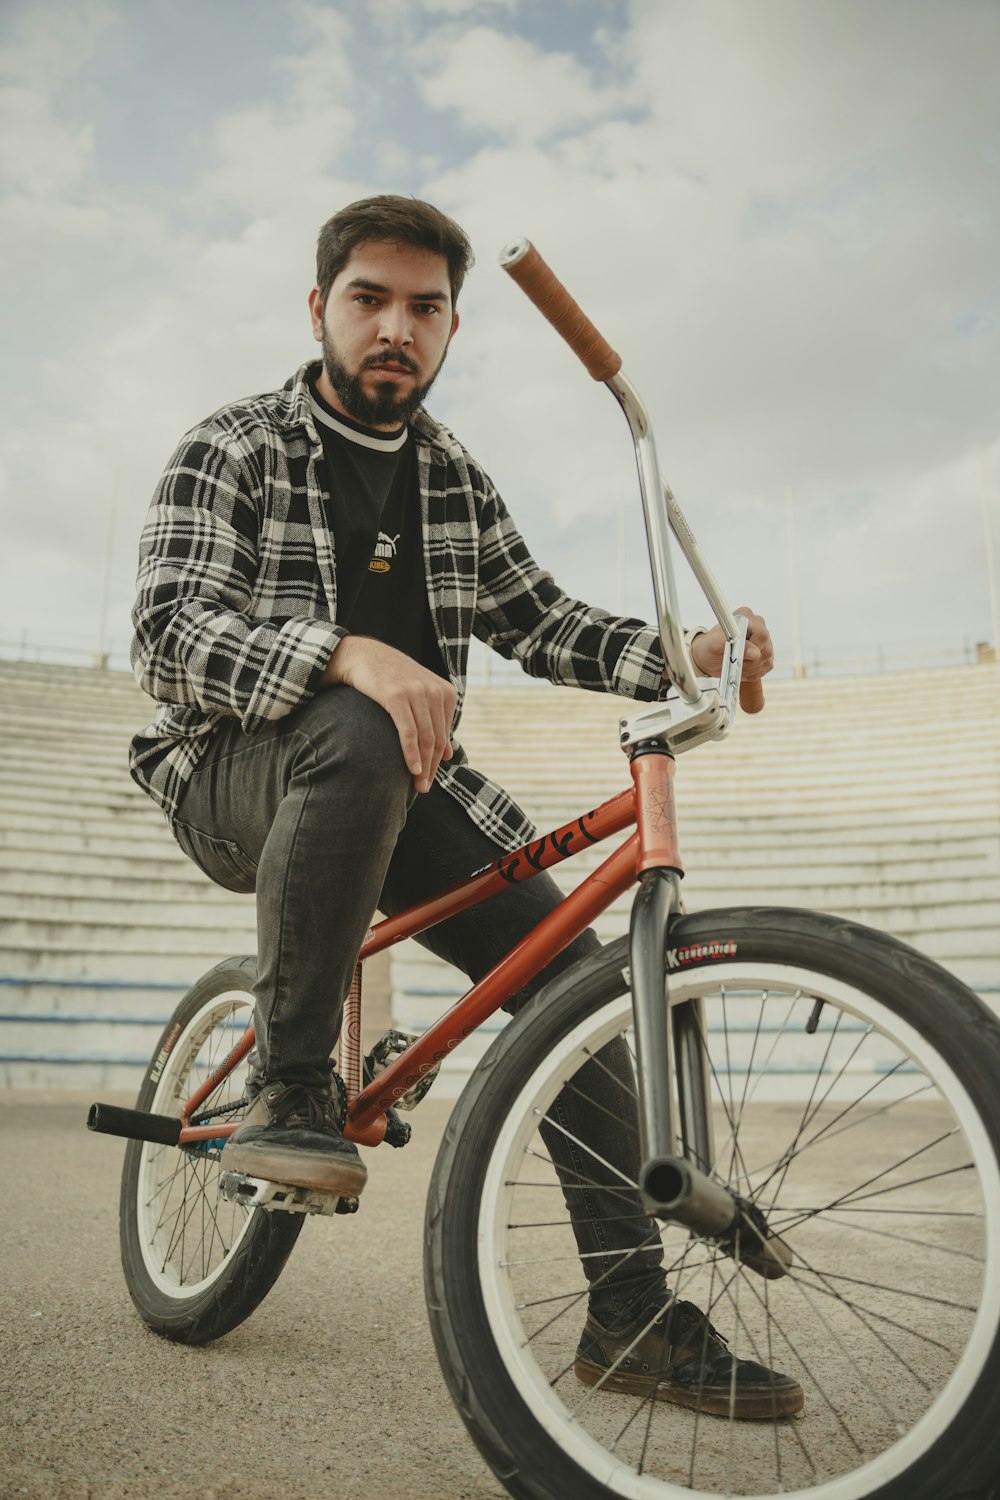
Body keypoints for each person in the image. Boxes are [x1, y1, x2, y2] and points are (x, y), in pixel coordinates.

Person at [130, 195, 798, 1419]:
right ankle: (289, 1084)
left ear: (450, 328)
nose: (397, 327)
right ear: (319, 309)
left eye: (425, 308)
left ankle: (630, 1316)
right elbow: (171, 636)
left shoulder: (450, 477)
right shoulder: (231, 444)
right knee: (356, 719)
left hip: (405, 782)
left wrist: (684, 649)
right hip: (234, 770)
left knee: (571, 991)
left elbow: (541, 621)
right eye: (369, 299)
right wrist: (344, 654)